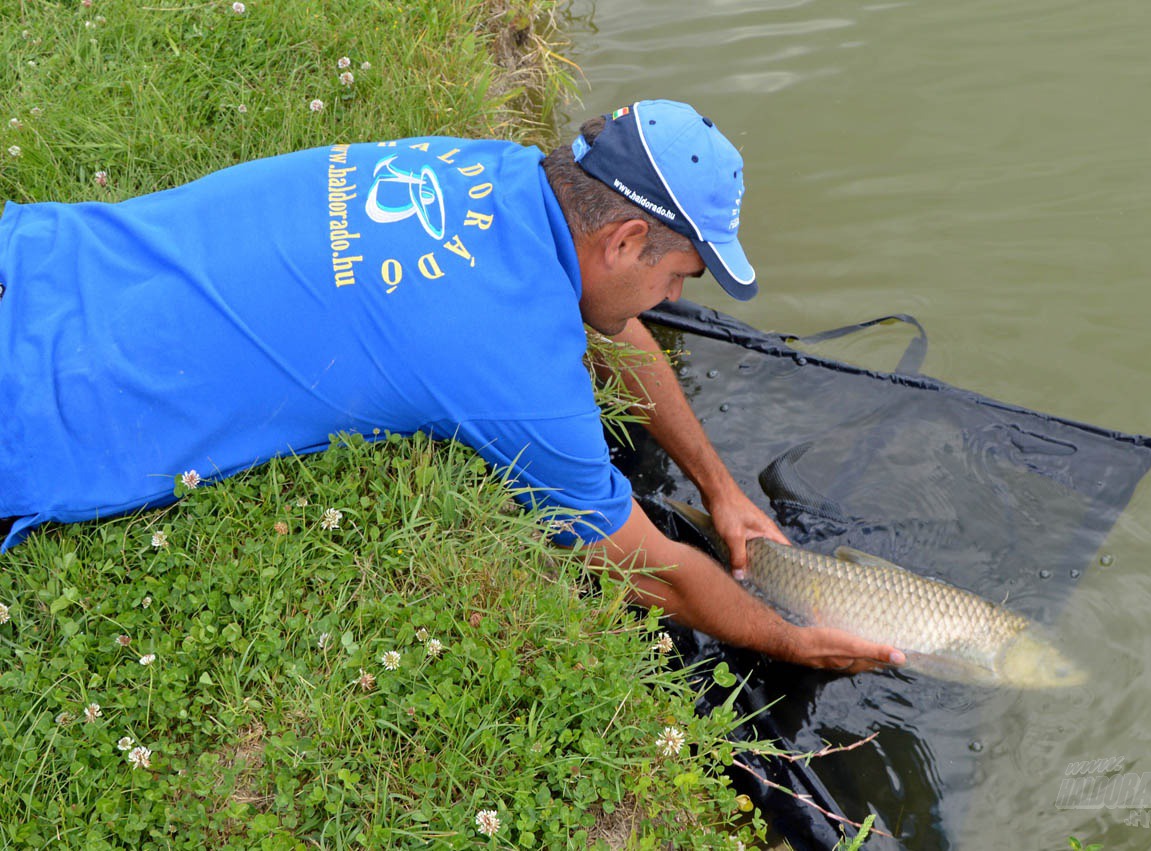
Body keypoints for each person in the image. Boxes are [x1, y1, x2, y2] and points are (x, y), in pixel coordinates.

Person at [0, 99, 902, 673]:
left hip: (34, 258)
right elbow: (646, 569)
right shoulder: (513, 366)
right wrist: (791, 638)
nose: (672, 301)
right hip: (35, 409)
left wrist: (719, 487)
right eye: (681, 276)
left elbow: (614, 329)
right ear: (625, 240)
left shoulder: (492, 170)